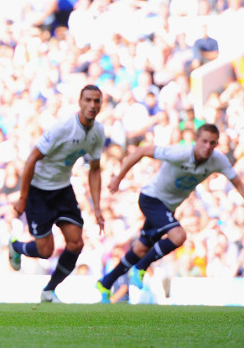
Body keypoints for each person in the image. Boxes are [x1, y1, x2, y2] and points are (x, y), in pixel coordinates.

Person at [96, 124, 244, 303]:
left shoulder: (217, 160)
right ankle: (141, 267)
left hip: (167, 207)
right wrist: (118, 178)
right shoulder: (179, 153)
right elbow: (142, 151)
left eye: (212, 143)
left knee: (141, 247)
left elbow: (237, 182)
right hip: (151, 198)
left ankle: (106, 282)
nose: (207, 147)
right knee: (179, 236)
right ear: (196, 140)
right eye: (204, 141)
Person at [8, 85, 105, 303]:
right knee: (45, 251)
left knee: (76, 243)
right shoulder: (62, 128)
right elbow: (32, 158)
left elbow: (96, 169)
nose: (92, 105)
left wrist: (97, 208)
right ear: (79, 102)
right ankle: (16, 246)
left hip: (62, 189)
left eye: (96, 101)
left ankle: (49, 290)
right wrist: (23, 197)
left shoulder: (98, 132)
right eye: (88, 100)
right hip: (39, 191)